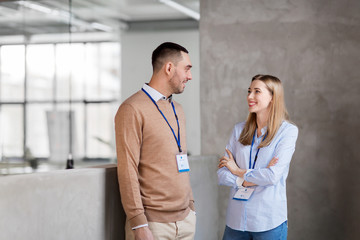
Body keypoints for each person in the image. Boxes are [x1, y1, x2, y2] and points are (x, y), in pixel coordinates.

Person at [115, 42, 196, 240]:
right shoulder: (132, 109)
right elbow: (128, 170)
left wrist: (191, 207)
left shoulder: (178, 109)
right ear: (169, 68)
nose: (190, 76)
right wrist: (139, 223)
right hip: (153, 226)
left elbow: (180, 161)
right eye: (187, 69)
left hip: (186, 220)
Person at [217, 74, 298, 240]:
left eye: (257, 91)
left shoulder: (287, 132)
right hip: (236, 221)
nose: (249, 96)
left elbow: (272, 176)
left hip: (267, 221)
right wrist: (243, 180)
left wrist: (237, 170)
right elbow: (222, 175)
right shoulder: (238, 130)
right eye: (249, 91)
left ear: (272, 98)